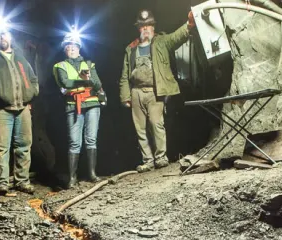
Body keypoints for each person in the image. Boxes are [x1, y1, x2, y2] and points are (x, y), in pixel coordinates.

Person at [119, 9, 196, 172]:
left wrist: (189, 24)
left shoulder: (161, 42)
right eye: (142, 26)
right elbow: (125, 75)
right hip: (136, 92)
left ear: (153, 27)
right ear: (138, 29)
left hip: (155, 91)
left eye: (148, 25)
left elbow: (177, 37)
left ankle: (161, 157)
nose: (145, 28)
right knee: (140, 128)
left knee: (156, 124)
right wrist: (125, 96)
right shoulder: (130, 49)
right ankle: (147, 160)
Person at [0, 30, 39, 194]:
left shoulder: (20, 57)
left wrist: (32, 92)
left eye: (5, 34)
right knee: (2, 147)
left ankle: (22, 181)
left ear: (10, 37)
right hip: (1, 109)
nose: (2, 37)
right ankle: (2, 183)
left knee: (24, 146)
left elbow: (32, 78)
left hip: (23, 108)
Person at [52, 32, 105, 188]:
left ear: (79, 47)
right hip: (73, 105)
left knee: (91, 139)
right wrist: (83, 80)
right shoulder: (59, 66)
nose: (71, 48)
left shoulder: (89, 64)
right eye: (68, 46)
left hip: (92, 104)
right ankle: (73, 178)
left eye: (74, 46)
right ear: (64, 49)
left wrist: (87, 80)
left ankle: (92, 174)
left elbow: (97, 83)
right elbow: (65, 83)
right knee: (74, 142)